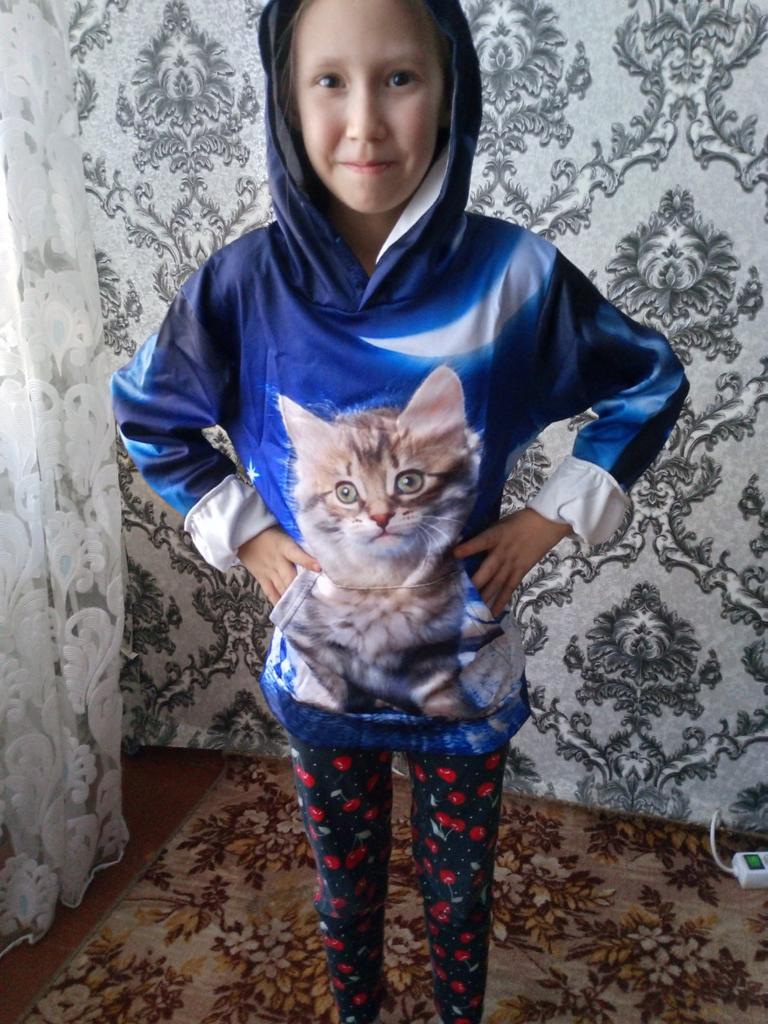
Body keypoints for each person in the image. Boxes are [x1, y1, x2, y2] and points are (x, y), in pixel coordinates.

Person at [111, 0, 689, 1020]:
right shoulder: (241, 286)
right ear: (287, 99)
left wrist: (548, 517)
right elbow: (149, 413)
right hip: (321, 672)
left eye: (400, 78)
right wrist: (249, 533)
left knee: (461, 895)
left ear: (452, 88)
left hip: (463, 670)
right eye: (329, 81)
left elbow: (648, 381)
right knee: (345, 889)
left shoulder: (514, 277)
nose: (365, 122)